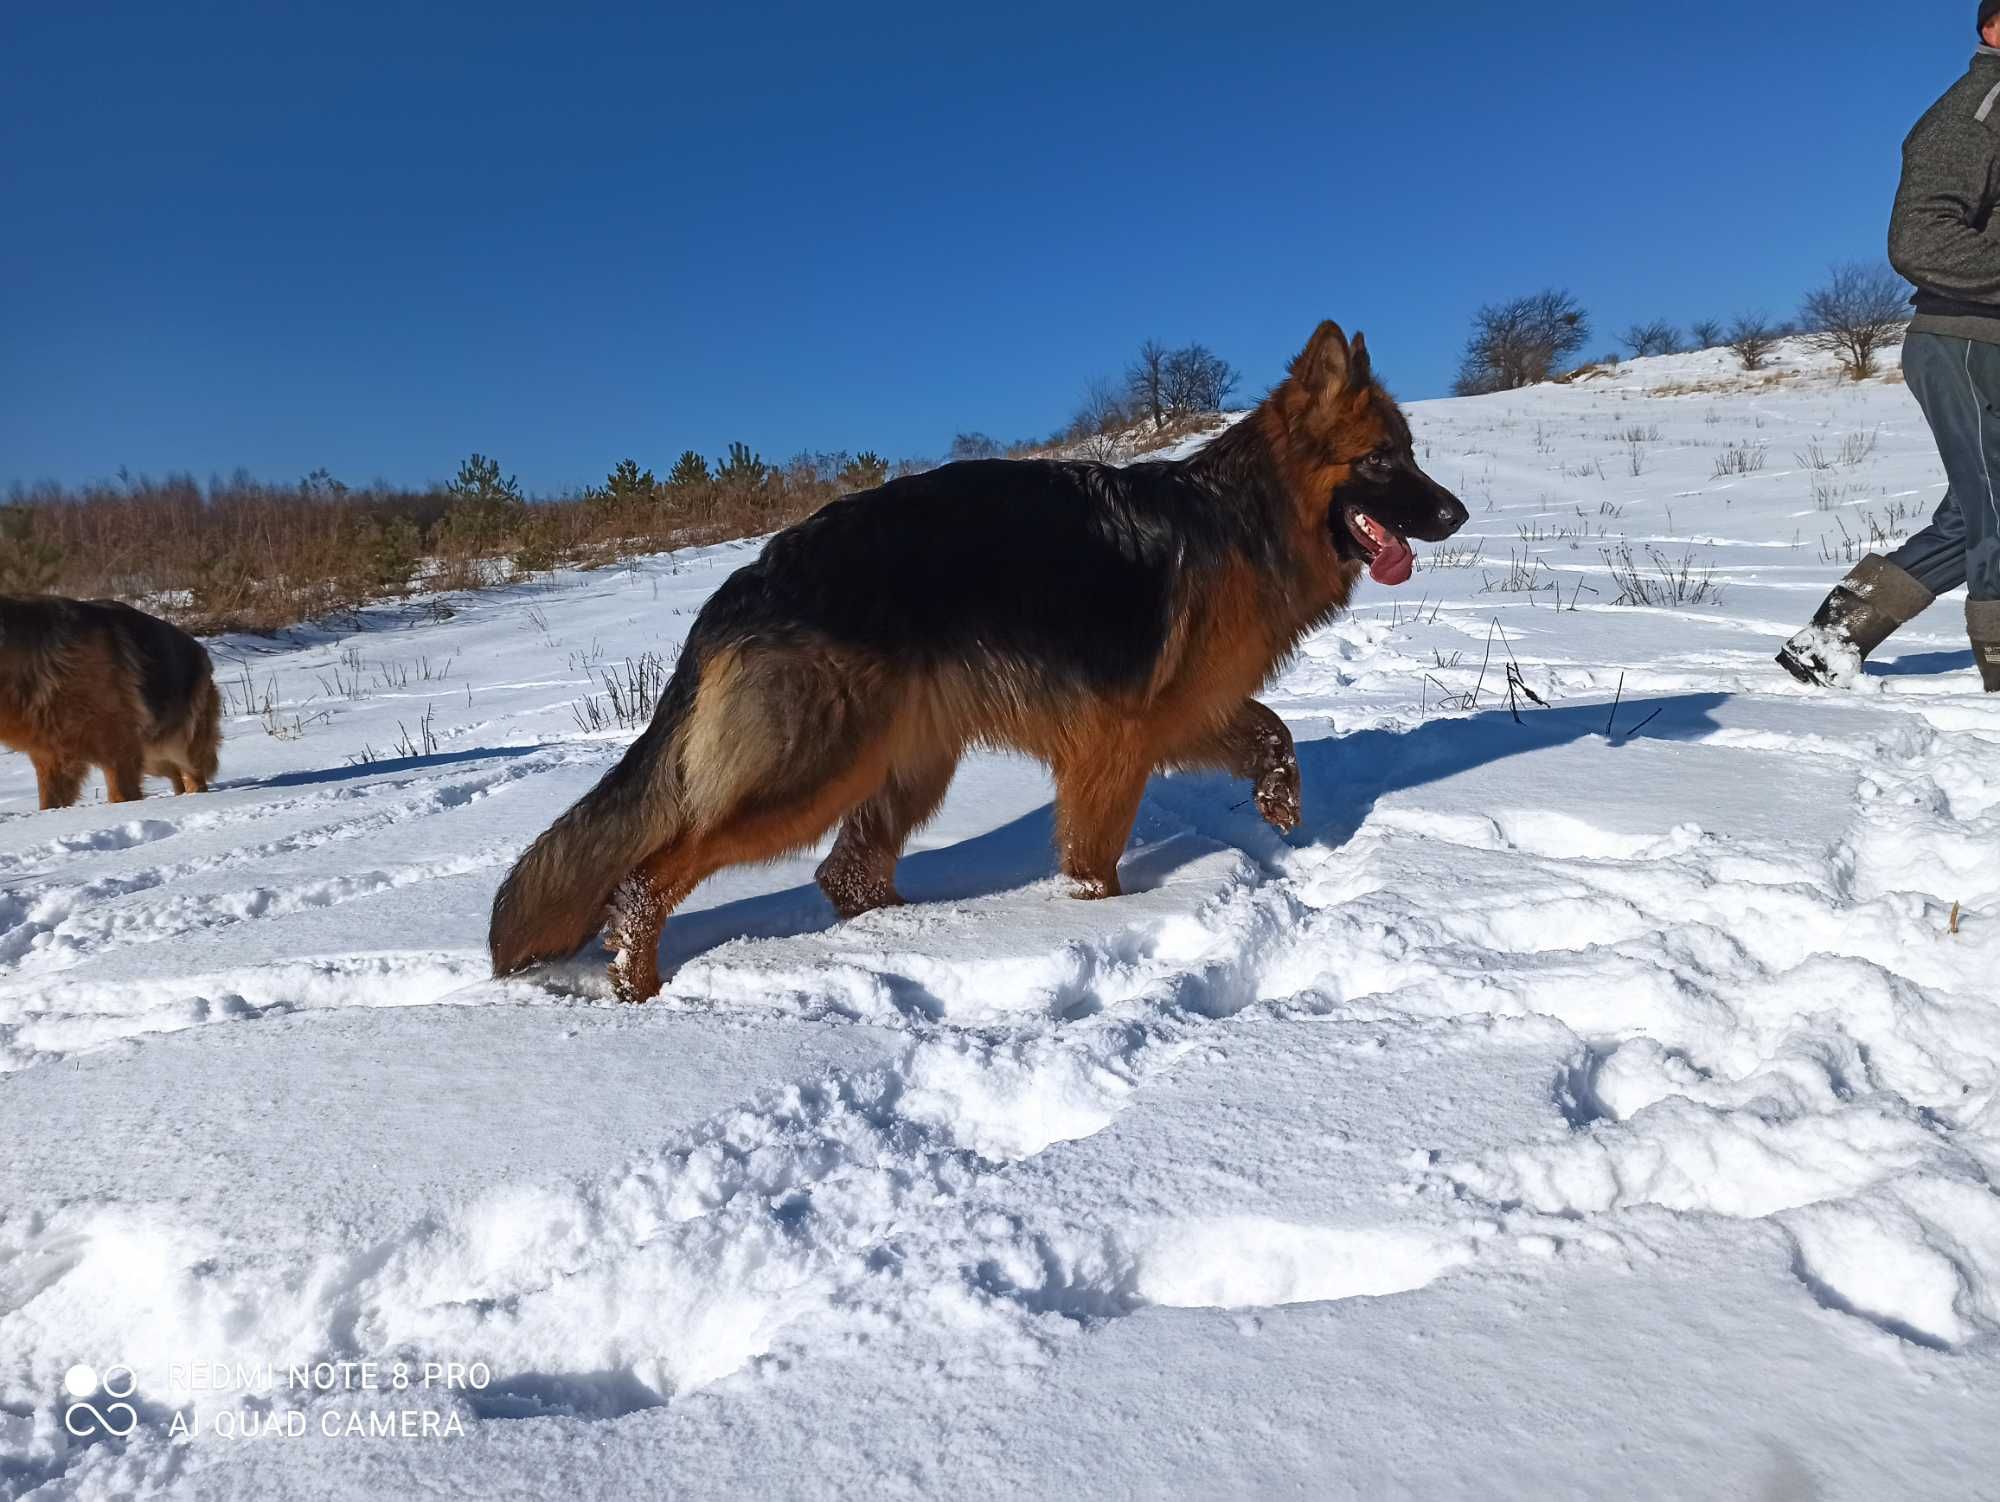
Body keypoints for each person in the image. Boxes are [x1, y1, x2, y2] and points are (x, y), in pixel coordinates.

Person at [1779, 1, 2000, 692]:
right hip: (1965, 339)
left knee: (1973, 513)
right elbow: (1917, 240)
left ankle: (1831, 640)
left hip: (1985, 337)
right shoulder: (1978, 109)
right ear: (1995, 25)